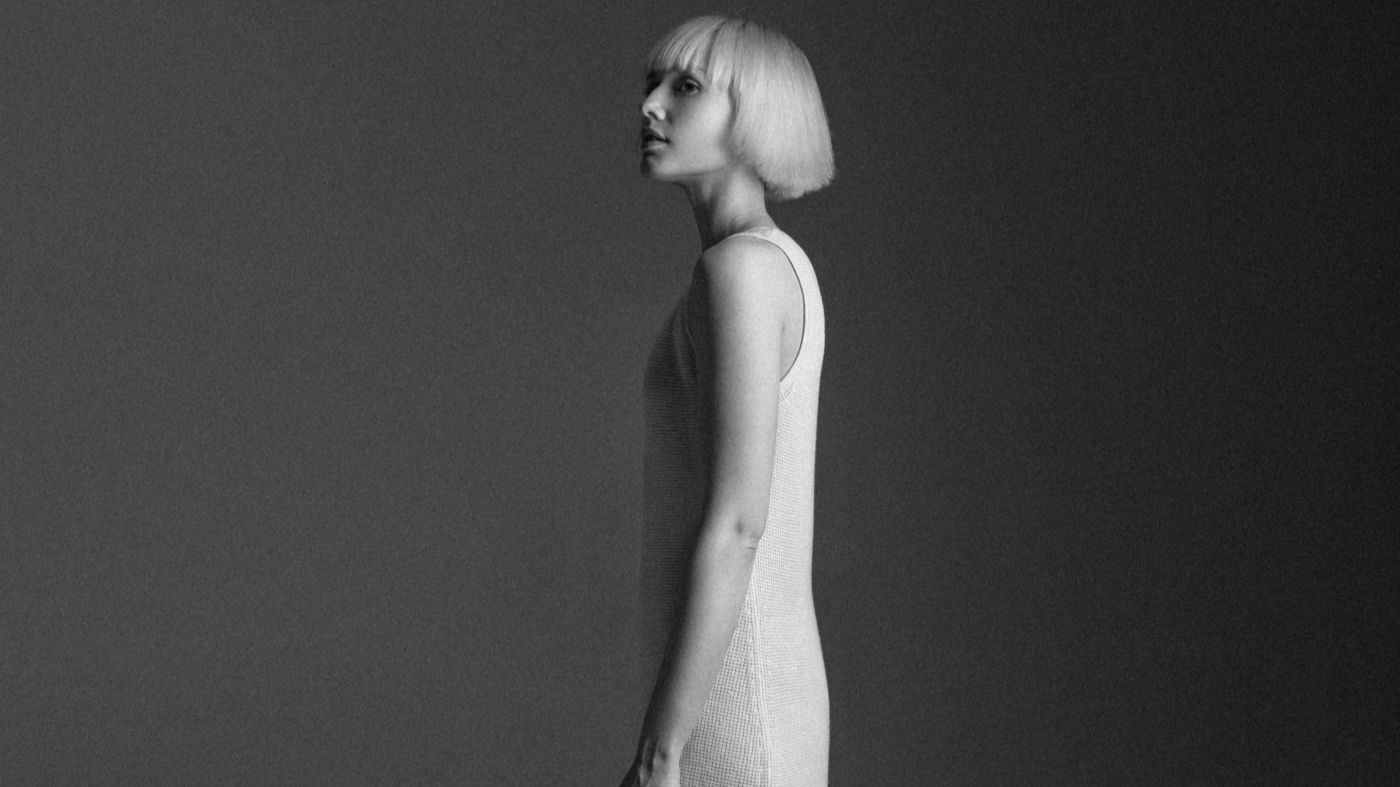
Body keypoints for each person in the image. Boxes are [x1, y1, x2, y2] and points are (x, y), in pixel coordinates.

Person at [619, 16, 835, 787]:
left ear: (755, 114)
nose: (651, 106)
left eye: (686, 87)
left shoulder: (740, 271)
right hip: (731, 697)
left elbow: (741, 524)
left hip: (737, 711)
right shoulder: (766, 265)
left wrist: (660, 753)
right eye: (652, 85)